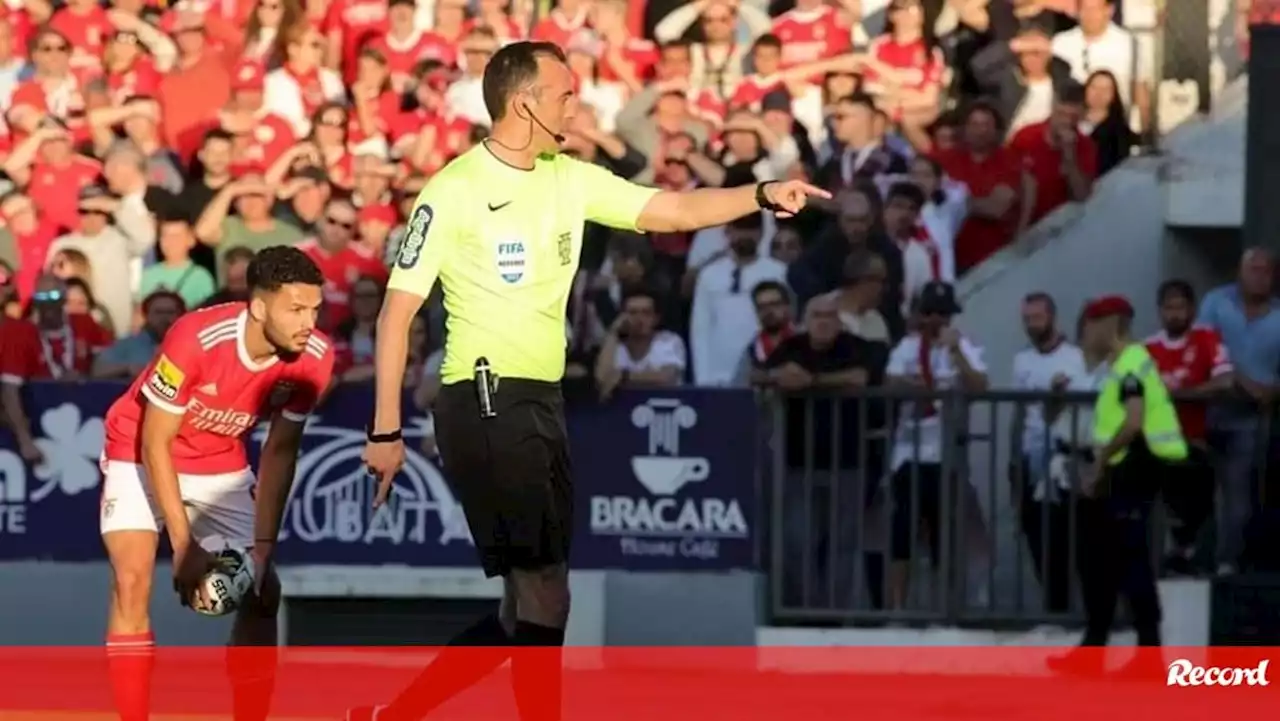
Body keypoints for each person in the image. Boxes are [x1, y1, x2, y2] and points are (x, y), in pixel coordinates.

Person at [355, 40, 828, 721]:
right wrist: (386, 428)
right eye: (566, 93)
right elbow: (396, 314)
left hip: (537, 397)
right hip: (485, 393)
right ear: (525, 102)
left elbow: (671, 208)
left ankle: (393, 715)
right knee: (546, 590)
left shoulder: (568, 176)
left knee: (528, 607)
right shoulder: (455, 189)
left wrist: (758, 193)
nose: (578, 104)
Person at [97, 247, 335, 721]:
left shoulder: (316, 358)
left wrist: (263, 549)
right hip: (138, 448)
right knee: (131, 579)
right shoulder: (195, 337)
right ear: (260, 307)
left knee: (265, 592)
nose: (308, 322)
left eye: (315, 309)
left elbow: (281, 450)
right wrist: (184, 544)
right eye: (296, 309)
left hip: (220, 461)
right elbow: (155, 443)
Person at [1049, 294, 1187, 677]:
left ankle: (1149, 657)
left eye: (1090, 326)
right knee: (1097, 560)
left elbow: (1132, 421)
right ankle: (1094, 649)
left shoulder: (1130, 364)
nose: (1085, 335)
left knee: (1130, 561)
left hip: (1135, 469)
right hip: (1117, 472)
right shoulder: (1115, 366)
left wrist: (1100, 462)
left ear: (1109, 324)